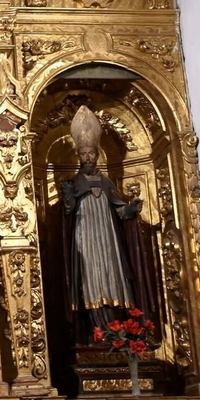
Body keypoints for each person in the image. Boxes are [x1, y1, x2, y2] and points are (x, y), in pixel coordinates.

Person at [60, 106, 152, 342]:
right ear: (79, 156)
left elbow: (119, 208)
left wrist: (129, 209)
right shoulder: (75, 183)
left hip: (107, 236)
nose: (88, 158)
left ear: (97, 154)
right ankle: (97, 331)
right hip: (85, 237)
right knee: (90, 278)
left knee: (112, 275)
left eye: (91, 153)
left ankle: (116, 330)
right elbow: (68, 212)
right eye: (84, 154)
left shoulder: (106, 182)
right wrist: (69, 196)